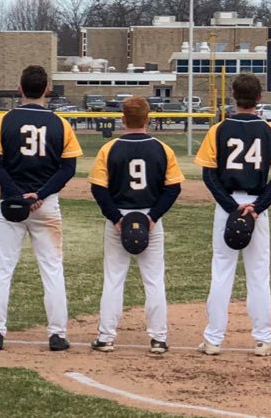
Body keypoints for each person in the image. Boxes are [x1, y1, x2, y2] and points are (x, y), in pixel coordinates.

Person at [0, 65, 81, 352]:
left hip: (11, 204)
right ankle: (57, 334)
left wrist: (17, 194)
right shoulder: (60, 123)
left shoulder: (4, 120)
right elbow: (68, 168)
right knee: (52, 269)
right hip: (45, 205)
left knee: (3, 268)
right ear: (47, 90)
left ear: (19, 88)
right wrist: (40, 194)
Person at [195, 74, 271, 357]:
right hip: (256, 208)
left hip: (228, 205)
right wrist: (258, 207)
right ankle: (263, 340)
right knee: (258, 274)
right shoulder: (270, 131)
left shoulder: (219, 129)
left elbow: (208, 175)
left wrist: (230, 207)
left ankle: (213, 339)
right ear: (259, 98)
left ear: (233, 97)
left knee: (221, 272)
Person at [87, 97, 183, 354]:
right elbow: (173, 188)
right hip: (150, 219)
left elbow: (98, 188)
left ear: (122, 119)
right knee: (153, 280)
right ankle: (158, 338)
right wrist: (153, 217)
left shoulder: (109, 148)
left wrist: (116, 218)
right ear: (148, 119)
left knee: (114, 278)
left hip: (119, 218)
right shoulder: (162, 149)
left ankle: (106, 337)